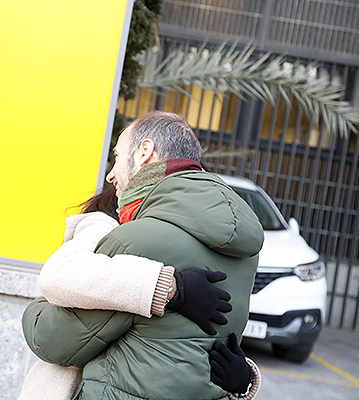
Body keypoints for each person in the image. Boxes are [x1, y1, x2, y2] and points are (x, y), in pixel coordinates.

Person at [21, 111, 264, 399]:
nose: (111, 174)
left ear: (144, 152)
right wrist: (246, 381)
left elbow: (55, 341)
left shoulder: (138, 240)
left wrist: (36, 309)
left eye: (117, 155)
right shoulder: (244, 250)